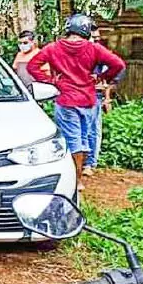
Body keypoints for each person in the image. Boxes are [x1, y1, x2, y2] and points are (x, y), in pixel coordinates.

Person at [27, 14, 126, 190]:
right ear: (86, 31)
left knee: (72, 140)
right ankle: (79, 176)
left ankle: (75, 180)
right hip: (88, 98)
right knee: (84, 137)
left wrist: (50, 81)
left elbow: (32, 66)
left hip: (66, 99)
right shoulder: (94, 49)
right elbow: (118, 65)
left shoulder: (53, 48)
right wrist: (102, 77)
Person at [83, 26, 125, 176]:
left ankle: (89, 163)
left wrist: (106, 93)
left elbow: (118, 68)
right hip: (76, 95)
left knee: (92, 130)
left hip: (94, 95)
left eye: (97, 38)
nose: (95, 41)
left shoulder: (101, 53)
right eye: (92, 37)